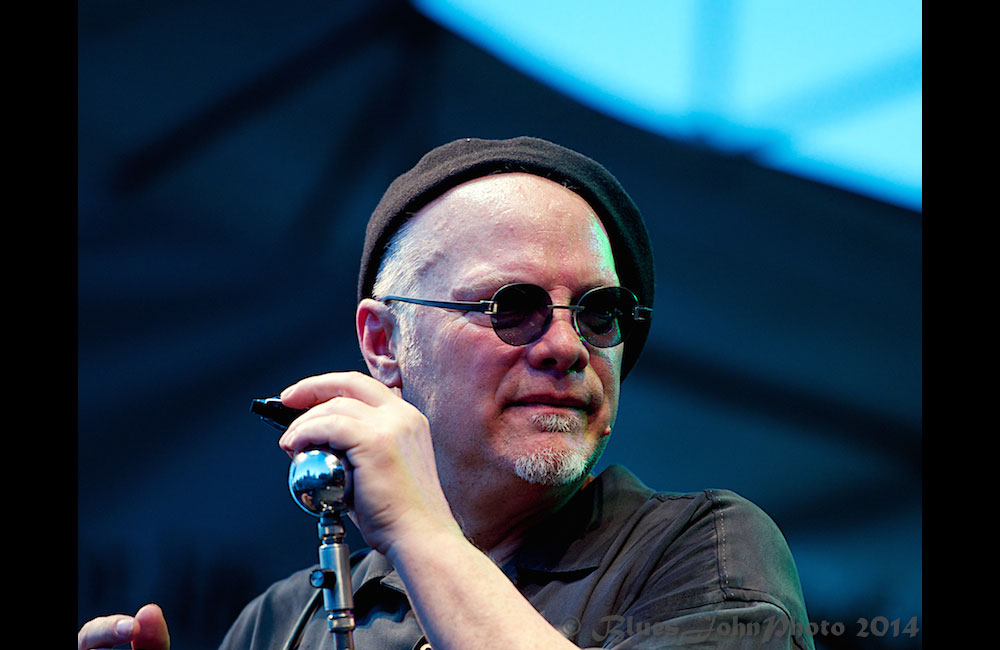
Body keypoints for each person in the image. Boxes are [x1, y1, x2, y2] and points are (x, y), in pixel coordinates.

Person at [78, 136, 814, 650]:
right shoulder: (282, 620)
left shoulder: (704, 548)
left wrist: (419, 531)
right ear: (383, 343)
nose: (566, 346)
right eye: (512, 307)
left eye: (600, 312)